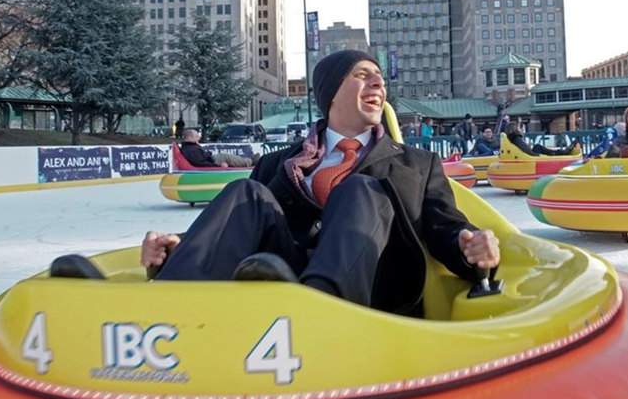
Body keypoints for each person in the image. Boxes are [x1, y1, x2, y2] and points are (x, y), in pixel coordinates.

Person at [141, 50, 500, 316]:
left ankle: (321, 307)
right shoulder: (276, 164)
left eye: (380, 78)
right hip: (279, 276)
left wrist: (472, 249)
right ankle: (168, 309)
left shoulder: (417, 164)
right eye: (362, 75)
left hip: (371, 295)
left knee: (359, 190)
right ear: (330, 93)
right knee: (244, 192)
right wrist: (177, 246)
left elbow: (446, 228)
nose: (379, 83)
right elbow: (239, 230)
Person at [179, 129, 251, 167]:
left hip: (211, 159)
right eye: (196, 136)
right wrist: (218, 165)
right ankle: (249, 162)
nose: (199, 138)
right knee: (227, 157)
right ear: (190, 137)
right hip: (212, 161)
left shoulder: (190, 147)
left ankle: (248, 161)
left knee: (228, 157)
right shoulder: (191, 150)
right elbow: (200, 163)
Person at [505, 118, 578, 156]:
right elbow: (528, 151)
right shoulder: (517, 139)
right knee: (539, 148)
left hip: (526, 155)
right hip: (530, 157)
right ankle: (563, 152)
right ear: (515, 129)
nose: (520, 129)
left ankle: (560, 152)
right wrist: (537, 155)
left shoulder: (512, 138)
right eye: (518, 128)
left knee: (538, 147)